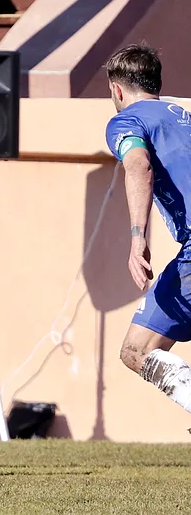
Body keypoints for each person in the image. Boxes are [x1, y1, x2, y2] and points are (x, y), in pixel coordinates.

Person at [104, 44, 191, 417]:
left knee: (136, 349)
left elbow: (139, 165)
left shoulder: (127, 121)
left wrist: (137, 238)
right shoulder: (184, 118)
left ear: (117, 90)